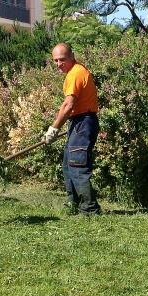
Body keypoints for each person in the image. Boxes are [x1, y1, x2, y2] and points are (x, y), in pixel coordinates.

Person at [43, 43, 101, 215]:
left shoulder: (76, 73)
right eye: (55, 60)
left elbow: (68, 105)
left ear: (72, 57)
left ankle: (89, 209)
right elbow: (67, 106)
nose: (58, 64)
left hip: (83, 122)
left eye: (62, 59)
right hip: (78, 122)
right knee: (69, 164)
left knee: (77, 164)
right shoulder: (73, 73)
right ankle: (73, 204)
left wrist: (53, 129)